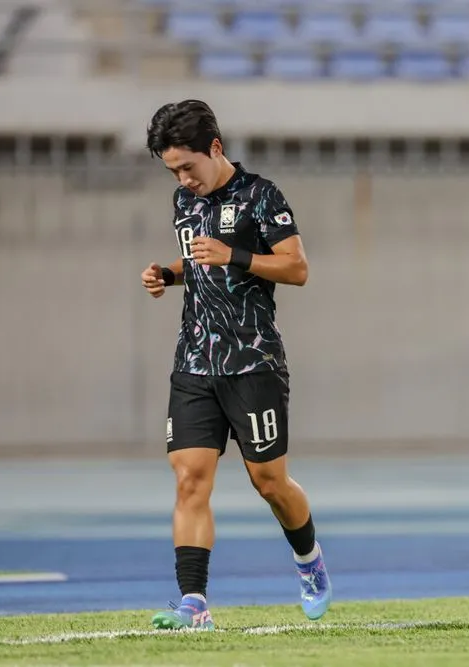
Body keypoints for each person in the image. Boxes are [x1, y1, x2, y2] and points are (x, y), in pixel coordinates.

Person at [140, 99, 331, 630]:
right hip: (195, 360)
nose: (182, 178)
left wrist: (235, 256)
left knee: (269, 482)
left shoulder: (261, 196)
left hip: (253, 361)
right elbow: (199, 260)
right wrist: (167, 273)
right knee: (189, 479)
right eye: (173, 170)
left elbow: (296, 268)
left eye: (187, 167)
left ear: (215, 149)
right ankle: (193, 602)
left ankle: (309, 561)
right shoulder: (184, 201)